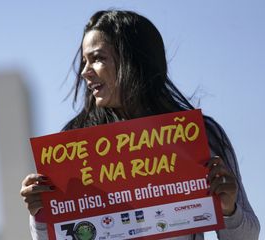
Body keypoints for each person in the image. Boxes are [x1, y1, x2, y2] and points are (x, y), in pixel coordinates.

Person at [20, 10, 260, 239]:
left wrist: (229, 208)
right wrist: (40, 215)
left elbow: (247, 236)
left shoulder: (199, 136)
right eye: (84, 61)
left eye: (97, 59)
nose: (85, 72)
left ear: (132, 61)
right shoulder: (73, 146)